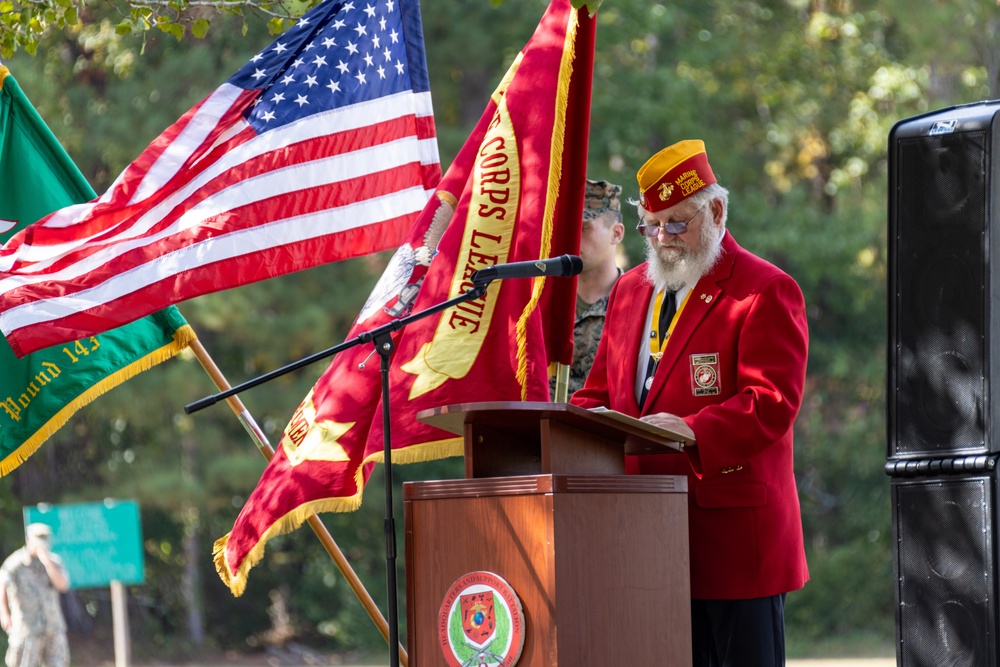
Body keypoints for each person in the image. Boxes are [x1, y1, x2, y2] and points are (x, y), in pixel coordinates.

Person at [570, 139, 809, 666]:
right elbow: (602, 393)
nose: (662, 238)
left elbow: (772, 402)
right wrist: (567, 422)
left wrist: (691, 428)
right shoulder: (630, 289)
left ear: (716, 210)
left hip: (732, 540)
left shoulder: (765, 290)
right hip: (645, 535)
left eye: (677, 223)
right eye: (651, 225)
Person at [550, 178, 625, 400]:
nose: (572, 238)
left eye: (584, 228)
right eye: (567, 228)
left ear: (616, 234)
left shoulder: (633, 305)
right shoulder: (542, 301)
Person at [0, 523, 70, 667]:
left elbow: (63, 585)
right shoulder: (16, 563)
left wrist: (47, 562)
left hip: (52, 627)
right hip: (26, 628)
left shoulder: (54, 561)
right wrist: (4, 613)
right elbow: (2, 585)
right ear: (28, 540)